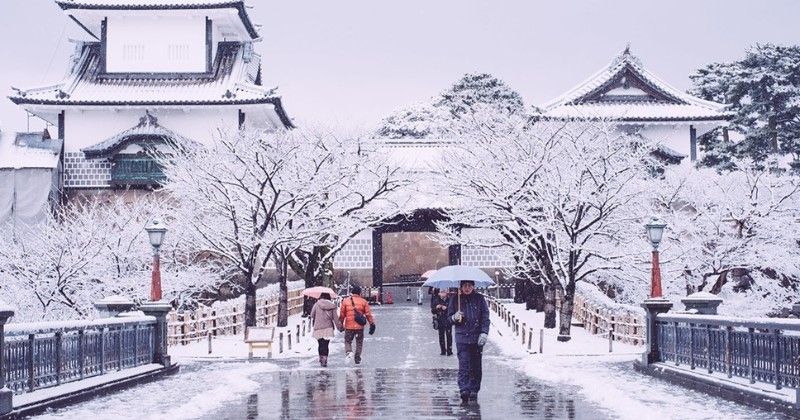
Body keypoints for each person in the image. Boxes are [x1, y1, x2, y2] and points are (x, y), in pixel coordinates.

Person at [448, 280, 489, 405]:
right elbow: (448, 319)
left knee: (476, 365)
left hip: (476, 338)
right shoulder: (456, 299)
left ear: (473, 287)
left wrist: (484, 332)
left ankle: (474, 389)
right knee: (464, 365)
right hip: (462, 338)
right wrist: (454, 317)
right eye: (464, 286)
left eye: (469, 286)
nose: (467, 288)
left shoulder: (479, 299)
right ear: (461, 287)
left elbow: (485, 317)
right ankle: (464, 389)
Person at [339, 285, 375, 365]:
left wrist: (341, 323)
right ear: (360, 293)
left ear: (352, 292)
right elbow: (368, 314)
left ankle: (349, 352)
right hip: (359, 326)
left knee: (348, 341)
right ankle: (357, 357)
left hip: (349, 326)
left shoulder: (345, 301)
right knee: (359, 342)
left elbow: (342, 314)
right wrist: (371, 324)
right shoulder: (363, 301)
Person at [310, 292, 342, 367]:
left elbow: (312, 315)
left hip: (318, 327)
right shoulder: (332, 306)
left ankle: (321, 359)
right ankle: (325, 360)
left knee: (320, 344)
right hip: (328, 328)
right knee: (326, 345)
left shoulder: (316, 304)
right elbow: (335, 319)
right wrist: (339, 327)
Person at [430, 288, 453, 356]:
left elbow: (452, 310)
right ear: (439, 293)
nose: (443, 293)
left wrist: (447, 308)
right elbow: (432, 311)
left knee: (449, 335)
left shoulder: (450, 300)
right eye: (441, 292)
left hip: (448, 320)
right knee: (441, 335)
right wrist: (436, 308)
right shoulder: (436, 300)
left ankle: (449, 350)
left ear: (446, 293)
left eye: (444, 292)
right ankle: (443, 350)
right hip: (440, 320)